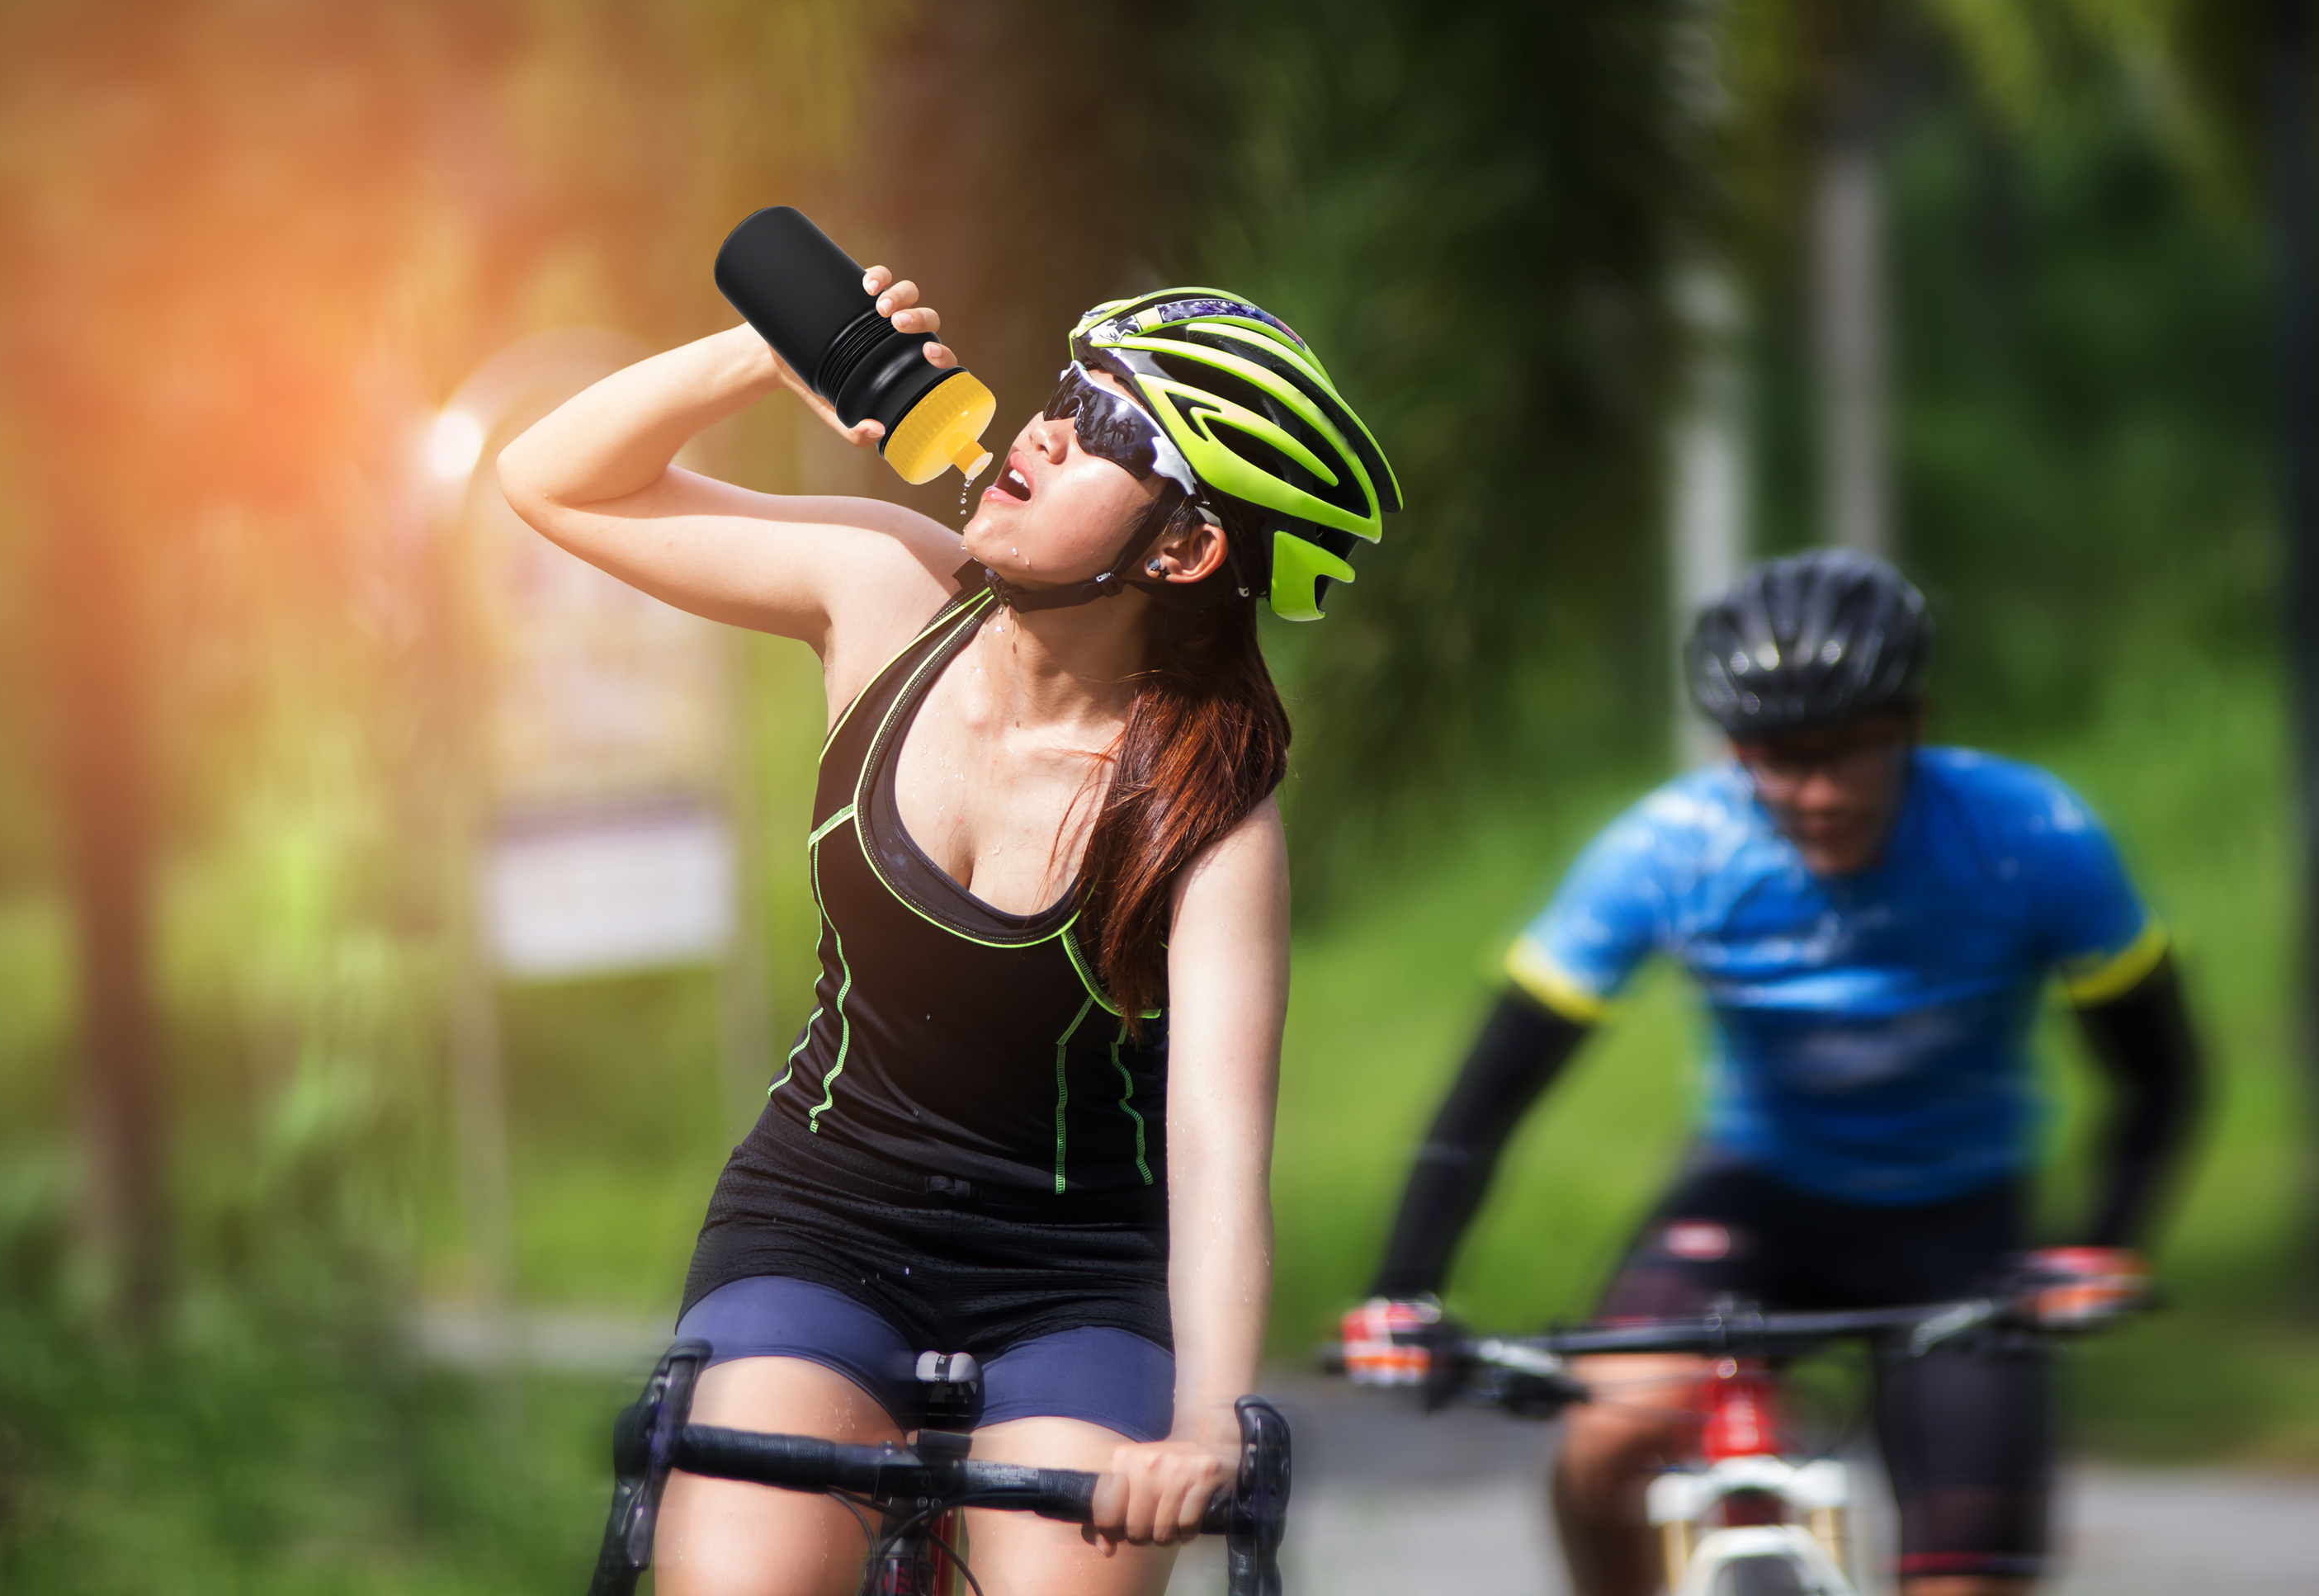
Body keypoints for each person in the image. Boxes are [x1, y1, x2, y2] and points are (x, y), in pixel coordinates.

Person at [500, 274, 1398, 1595]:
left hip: (1075, 1282)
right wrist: (761, 351)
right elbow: (552, 480)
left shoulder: (1210, 814)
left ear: (1184, 550)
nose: (1043, 431)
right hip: (818, 1226)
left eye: (1106, 426)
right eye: (1060, 397)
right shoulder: (883, 595)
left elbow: (1215, 1152)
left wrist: (1208, 1424)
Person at [1341, 550, 2203, 1596]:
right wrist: (1402, 1290)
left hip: (1958, 1224)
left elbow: (2162, 1076)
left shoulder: (2033, 836)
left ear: (1913, 721)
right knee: (1602, 1443)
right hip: (1754, 1200)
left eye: (1852, 753)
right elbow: (1486, 1101)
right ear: (1734, 748)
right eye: (1780, 759)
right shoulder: (1669, 850)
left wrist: (2102, 1242)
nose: (1819, 791)